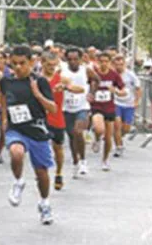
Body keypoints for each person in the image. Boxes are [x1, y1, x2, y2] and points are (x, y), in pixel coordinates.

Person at [0, 45, 56, 225]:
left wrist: (38, 95)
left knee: (42, 173)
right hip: (16, 129)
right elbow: (3, 100)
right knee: (16, 152)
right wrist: (3, 120)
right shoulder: (6, 81)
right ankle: (18, 182)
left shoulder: (40, 82)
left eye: (22, 63)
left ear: (31, 62)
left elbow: (53, 108)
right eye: (14, 63)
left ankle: (45, 203)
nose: (18, 67)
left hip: (37, 131)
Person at [61, 48, 99, 178]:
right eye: (70, 59)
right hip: (66, 108)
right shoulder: (62, 72)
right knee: (72, 137)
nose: (73, 62)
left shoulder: (86, 70)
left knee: (78, 132)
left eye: (75, 59)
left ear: (81, 59)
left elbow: (96, 79)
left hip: (82, 106)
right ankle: (75, 162)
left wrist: (92, 93)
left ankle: (83, 161)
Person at [90, 52, 126, 171]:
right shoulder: (93, 73)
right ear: (97, 61)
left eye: (106, 61)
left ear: (110, 62)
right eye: (101, 61)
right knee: (100, 128)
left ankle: (105, 160)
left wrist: (115, 90)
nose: (104, 64)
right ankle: (96, 138)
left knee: (108, 136)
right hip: (96, 106)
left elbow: (124, 91)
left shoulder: (114, 75)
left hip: (109, 107)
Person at [40, 52, 69, 190]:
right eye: (49, 65)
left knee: (57, 147)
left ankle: (58, 172)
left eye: (54, 65)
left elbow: (79, 89)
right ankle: (42, 171)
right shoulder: (37, 79)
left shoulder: (61, 79)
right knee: (41, 146)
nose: (52, 67)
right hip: (41, 117)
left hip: (57, 117)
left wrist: (65, 87)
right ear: (42, 63)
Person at [113, 55, 141, 157]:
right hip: (116, 103)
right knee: (117, 124)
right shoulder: (112, 74)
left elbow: (138, 88)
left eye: (121, 64)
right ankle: (118, 147)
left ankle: (118, 136)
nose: (119, 67)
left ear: (124, 64)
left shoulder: (130, 75)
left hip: (129, 103)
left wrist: (137, 101)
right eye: (116, 65)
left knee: (126, 128)